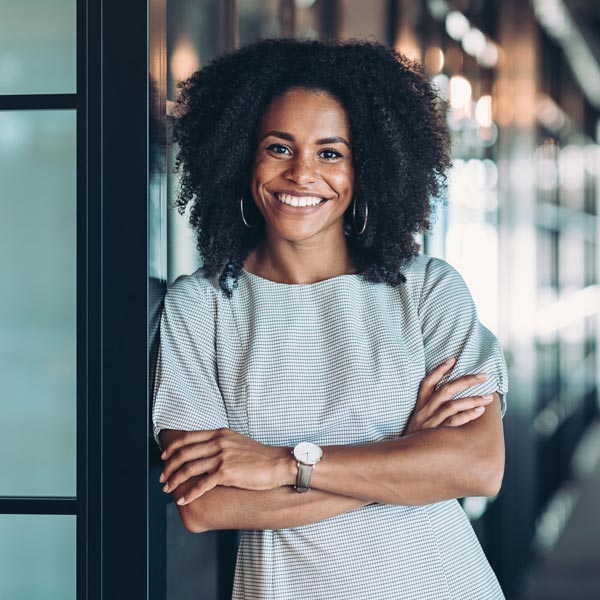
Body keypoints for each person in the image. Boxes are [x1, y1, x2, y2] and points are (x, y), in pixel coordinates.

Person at [152, 37, 509, 600]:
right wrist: (407, 459)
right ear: (242, 155)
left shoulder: (427, 292)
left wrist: (282, 465)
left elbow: (478, 465)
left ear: (365, 167)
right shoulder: (200, 309)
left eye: (330, 152)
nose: (301, 174)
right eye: (278, 147)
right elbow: (207, 505)